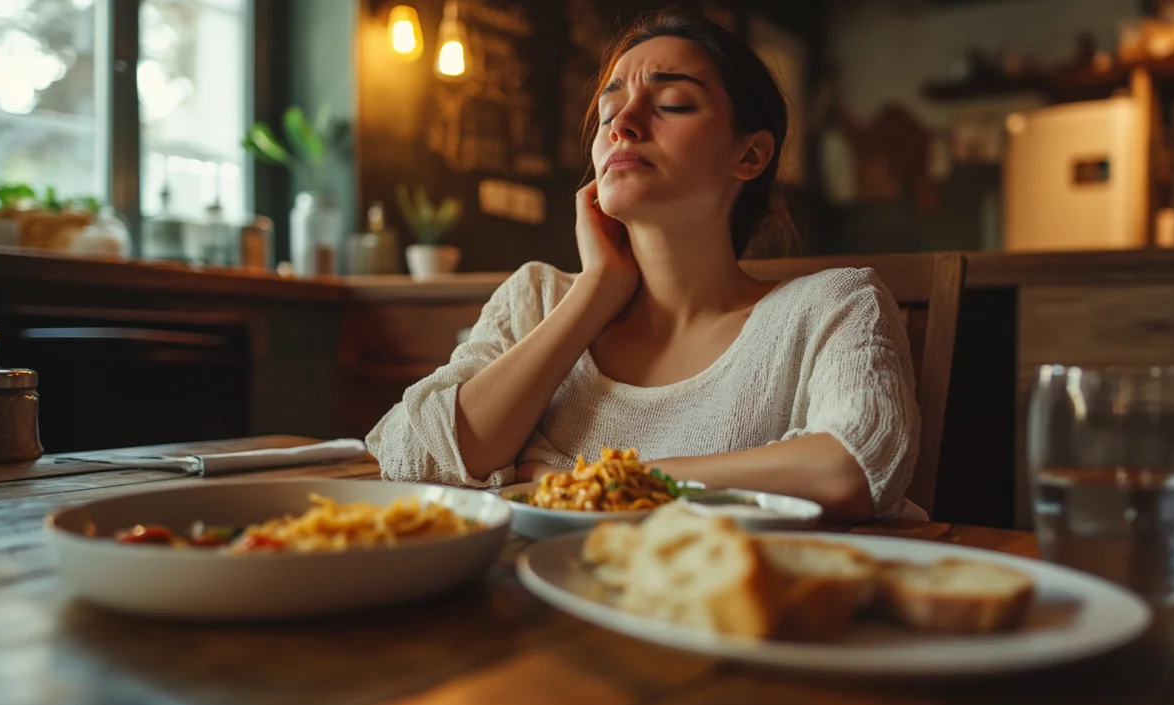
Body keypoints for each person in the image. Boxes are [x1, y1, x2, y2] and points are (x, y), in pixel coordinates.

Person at [367, 8, 923, 521]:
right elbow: (412, 456)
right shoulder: (537, 299)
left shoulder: (831, 306)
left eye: (672, 105)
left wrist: (579, 481)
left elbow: (851, 467)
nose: (622, 125)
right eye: (609, 109)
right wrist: (595, 293)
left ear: (750, 154)